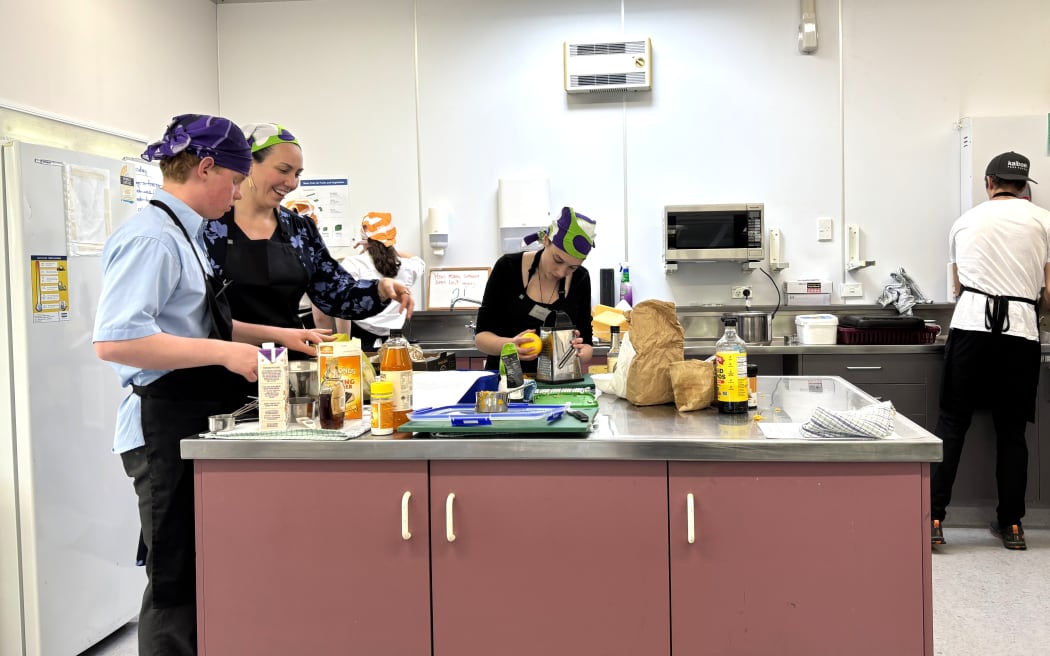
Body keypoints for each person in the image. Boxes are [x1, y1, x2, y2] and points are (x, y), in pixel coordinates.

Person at [92, 115, 346, 655]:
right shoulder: (151, 238)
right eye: (234, 179)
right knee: (176, 579)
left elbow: (197, 320)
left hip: (194, 418)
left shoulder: (187, 233)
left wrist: (281, 336)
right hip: (161, 423)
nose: (238, 193)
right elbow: (116, 341)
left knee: (208, 569)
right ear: (204, 167)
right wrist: (227, 354)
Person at [201, 123, 414, 358]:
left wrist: (381, 289)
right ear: (249, 164)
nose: (292, 183)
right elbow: (196, 314)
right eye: (283, 170)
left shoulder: (300, 230)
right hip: (222, 365)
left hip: (288, 365)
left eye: (297, 174)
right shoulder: (208, 228)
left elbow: (335, 293)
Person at [930, 151, 1050, 551]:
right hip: (1019, 331)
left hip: (970, 328)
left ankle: (933, 517)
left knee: (952, 425)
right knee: (1011, 431)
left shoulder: (964, 221)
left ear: (988, 182)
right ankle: (1012, 524)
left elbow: (957, 286)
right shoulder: (1043, 220)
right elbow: (1048, 293)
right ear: (1024, 187)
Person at [474, 206, 597, 372]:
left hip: (558, 390)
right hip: (506, 384)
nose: (561, 272)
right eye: (558, 260)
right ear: (546, 240)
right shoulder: (507, 268)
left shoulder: (581, 279)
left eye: (572, 267)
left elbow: (587, 345)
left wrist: (580, 352)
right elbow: (481, 337)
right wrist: (510, 345)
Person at [320, 212, 427, 350]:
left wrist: (344, 343)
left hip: (360, 340)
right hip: (395, 341)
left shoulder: (353, 264)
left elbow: (343, 308)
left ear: (363, 237)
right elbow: (419, 261)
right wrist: (390, 249)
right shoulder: (406, 266)